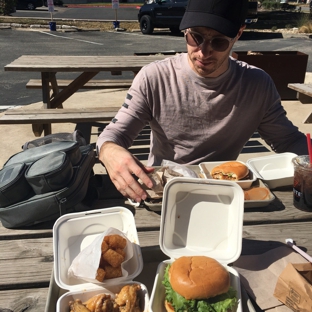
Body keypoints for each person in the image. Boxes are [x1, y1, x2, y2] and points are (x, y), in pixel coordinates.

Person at [97, 0, 308, 203]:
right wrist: (108, 150)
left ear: (238, 34)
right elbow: (115, 134)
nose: (203, 51)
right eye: (195, 37)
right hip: (165, 189)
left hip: (223, 191)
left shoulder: (257, 85)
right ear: (185, 31)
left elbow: (288, 141)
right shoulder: (154, 77)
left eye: (218, 42)